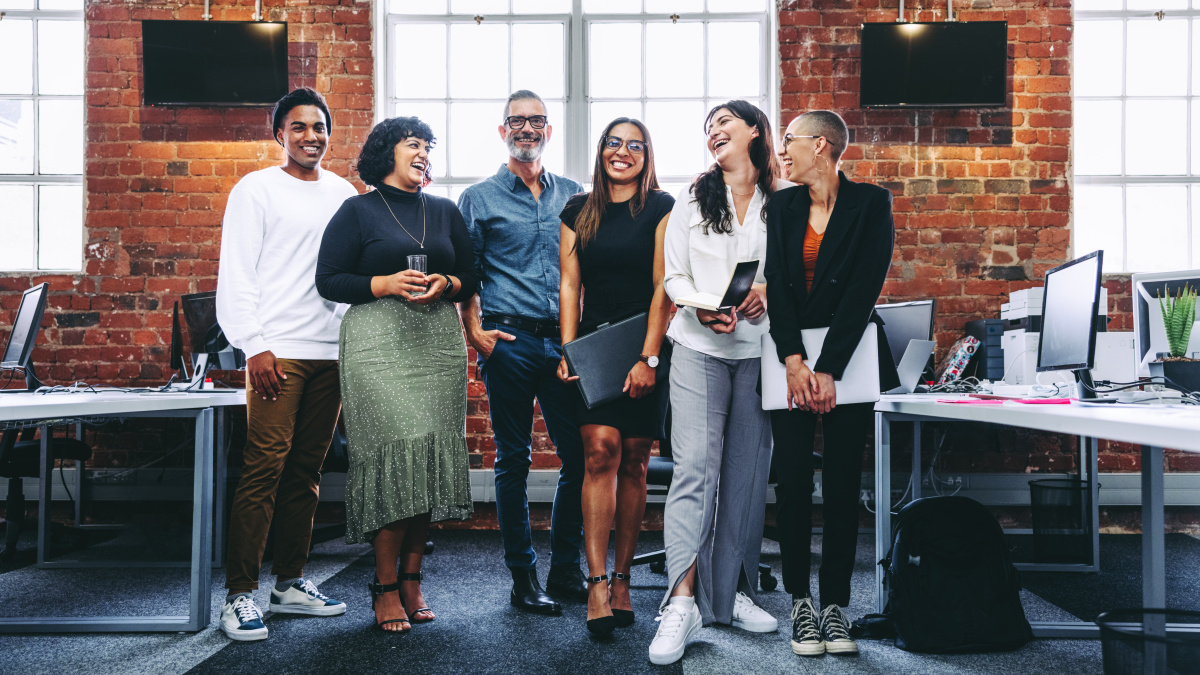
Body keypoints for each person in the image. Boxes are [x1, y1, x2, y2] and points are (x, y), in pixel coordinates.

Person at [315, 116, 478, 633]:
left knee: (424, 460)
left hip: (437, 345)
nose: (425, 153)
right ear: (388, 152)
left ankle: (412, 581)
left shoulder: (445, 211)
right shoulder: (357, 211)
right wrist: (382, 282)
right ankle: (383, 587)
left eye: (429, 146)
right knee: (392, 457)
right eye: (415, 144)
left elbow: (473, 275)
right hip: (378, 346)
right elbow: (329, 279)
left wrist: (446, 281)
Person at [215, 87, 356, 642]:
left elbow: (345, 276)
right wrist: (253, 344)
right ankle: (240, 594)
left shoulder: (343, 193)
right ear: (280, 135)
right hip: (278, 353)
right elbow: (238, 273)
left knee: (307, 473)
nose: (311, 136)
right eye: (298, 127)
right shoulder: (256, 190)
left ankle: (290, 583)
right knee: (263, 469)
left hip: (331, 353)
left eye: (319, 127)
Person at [648, 100, 786, 665]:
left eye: (724, 122)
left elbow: (796, 269)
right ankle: (681, 600)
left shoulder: (785, 201)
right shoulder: (691, 198)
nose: (714, 132)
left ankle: (730, 593)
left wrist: (769, 293)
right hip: (699, 346)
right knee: (696, 472)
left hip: (761, 351)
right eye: (708, 128)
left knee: (748, 478)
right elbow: (674, 276)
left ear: (755, 129)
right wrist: (703, 307)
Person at [764, 110, 899, 658]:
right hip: (790, 361)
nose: (781, 154)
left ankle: (836, 605)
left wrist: (827, 370)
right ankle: (800, 602)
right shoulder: (782, 205)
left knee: (843, 486)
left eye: (789, 142)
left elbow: (863, 292)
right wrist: (795, 361)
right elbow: (778, 285)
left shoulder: (871, 204)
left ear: (820, 145)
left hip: (847, 361)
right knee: (793, 484)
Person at [457, 90, 588, 614]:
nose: (527, 128)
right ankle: (522, 576)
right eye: (517, 121)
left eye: (536, 120)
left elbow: (585, 273)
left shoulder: (575, 194)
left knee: (576, 456)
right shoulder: (479, 198)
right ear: (502, 130)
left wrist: (579, 341)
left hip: (563, 342)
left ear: (549, 130)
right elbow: (467, 273)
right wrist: (476, 333)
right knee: (513, 459)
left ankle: (564, 569)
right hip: (508, 341)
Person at [556, 118, 676, 635]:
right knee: (599, 450)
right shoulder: (576, 211)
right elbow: (569, 285)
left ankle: (624, 578)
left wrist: (648, 359)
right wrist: (570, 351)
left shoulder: (662, 208)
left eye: (634, 145)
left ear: (647, 156)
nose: (622, 152)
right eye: (613, 143)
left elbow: (663, 288)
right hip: (596, 347)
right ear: (600, 150)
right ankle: (597, 581)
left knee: (633, 462)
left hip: (644, 345)